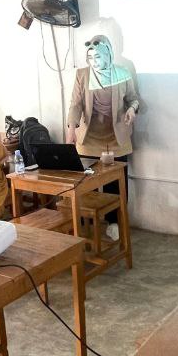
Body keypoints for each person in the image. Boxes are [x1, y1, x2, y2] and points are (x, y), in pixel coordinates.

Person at [66, 35, 139, 238]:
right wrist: (71, 129)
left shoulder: (122, 73)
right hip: (90, 138)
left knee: (115, 183)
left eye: (98, 56)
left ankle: (114, 222)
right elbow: (75, 104)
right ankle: (86, 223)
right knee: (85, 182)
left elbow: (134, 99)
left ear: (108, 54)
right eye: (90, 58)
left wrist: (132, 109)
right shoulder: (82, 75)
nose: (94, 61)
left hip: (116, 138)